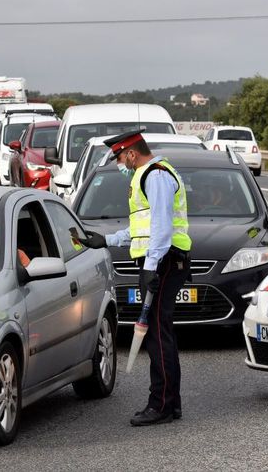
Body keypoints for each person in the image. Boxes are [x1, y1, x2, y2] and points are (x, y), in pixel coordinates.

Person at [77, 130, 192, 426]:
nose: (119, 163)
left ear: (131, 152)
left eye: (119, 156)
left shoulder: (155, 176)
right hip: (159, 261)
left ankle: (162, 405)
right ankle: (171, 403)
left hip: (163, 262)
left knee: (156, 334)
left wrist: (152, 266)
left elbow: (162, 227)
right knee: (159, 332)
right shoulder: (146, 175)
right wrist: (107, 240)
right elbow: (142, 227)